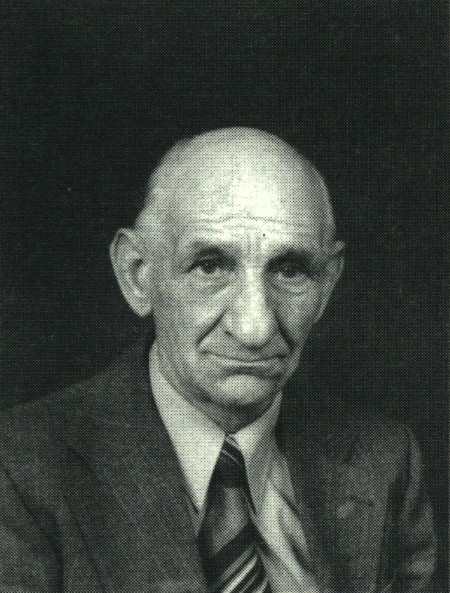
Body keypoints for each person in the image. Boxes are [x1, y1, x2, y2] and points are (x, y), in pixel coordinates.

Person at [0, 128, 437, 592]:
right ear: (138, 275)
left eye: (290, 270)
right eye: (210, 266)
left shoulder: (384, 461)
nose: (255, 329)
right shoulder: (21, 470)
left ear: (327, 285)